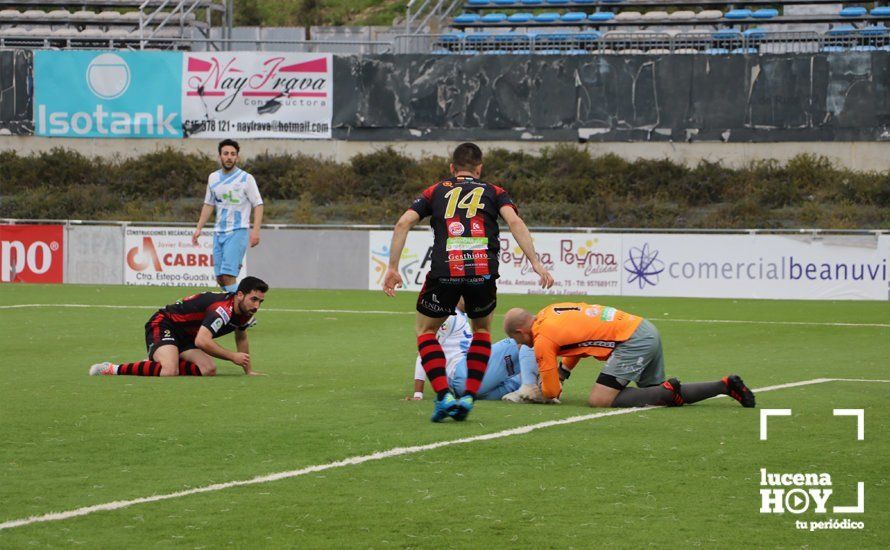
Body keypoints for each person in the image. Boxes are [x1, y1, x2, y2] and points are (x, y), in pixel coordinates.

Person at [383, 142, 554, 422]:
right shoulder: (496, 192)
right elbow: (516, 223)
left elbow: (403, 223)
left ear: (452, 168)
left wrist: (392, 267)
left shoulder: (436, 190)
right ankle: (469, 397)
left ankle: (443, 396)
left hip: (445, 270)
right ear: (480, 168)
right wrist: (535, 262)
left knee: (426, 331)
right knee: (483, 330)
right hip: (483, 271)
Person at [503, 303, 756, 409]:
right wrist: (564, 370)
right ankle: (725, 385)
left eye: (517, 340)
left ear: (521, 330)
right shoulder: (549, 312)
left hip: (632, 340)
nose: (520, 344)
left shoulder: (542, 339)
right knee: (658, 393)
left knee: (599, 399)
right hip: (643, 329)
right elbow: (578, 341)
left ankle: (668, 390)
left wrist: (534, 392)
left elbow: (550, 392)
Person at [89, 276, 269, 377]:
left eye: (260, 301)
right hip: (165, 323)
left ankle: (158, 360)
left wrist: (248, 370)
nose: (256, 306)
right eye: (254, 299)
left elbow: (241, 336)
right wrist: (232, 357)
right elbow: (202, 341)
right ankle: (111, 369)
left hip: (186, 336)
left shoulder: (245, 312)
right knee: (169, 371)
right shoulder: (221, 309)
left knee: (209, 369)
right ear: (239, 295)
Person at [192, 139, 264, 293]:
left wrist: (255, 231)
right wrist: (198, 228)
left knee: (228, 275)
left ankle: (243, 314)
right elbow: (208, 204)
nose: (229, 157)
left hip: (238, 231)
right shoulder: (213, 178)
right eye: (226, 154)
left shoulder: (246, 178)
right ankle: (238, 310)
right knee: (220, 278)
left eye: (233, 154)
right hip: (219, 233)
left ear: (237, 157)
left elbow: (258, 204)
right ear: (220, 156)